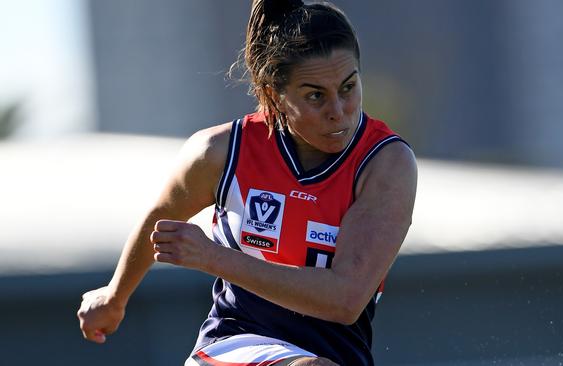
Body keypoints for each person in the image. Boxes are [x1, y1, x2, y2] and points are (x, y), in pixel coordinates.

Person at [77, 0, 417, 365]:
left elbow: (345, 300)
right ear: (275, 96)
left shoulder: (386, 163)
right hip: (234, 344)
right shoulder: (220, 152)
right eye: (315, 95)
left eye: (348, 87)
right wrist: (114, 297)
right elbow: (159, 218)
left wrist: (212, 257)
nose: (338, 110)